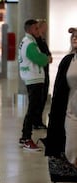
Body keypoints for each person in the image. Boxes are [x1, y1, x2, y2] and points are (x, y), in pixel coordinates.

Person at [43, 27, 77, 166]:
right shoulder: (69, 60)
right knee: (72, 149)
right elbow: (59, 88)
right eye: (73, 36)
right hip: (72, 112)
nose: (74, 38)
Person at [18, 19, 50, 151]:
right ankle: (26, 138)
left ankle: (25, 137)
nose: (39, 31)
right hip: (34, 79)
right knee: (32, 109)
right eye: (36, 28)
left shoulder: (26, 42)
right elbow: (39, 59)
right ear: (31, 30)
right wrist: (46, 58)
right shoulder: (30, 44)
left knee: (32, 108)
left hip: (32, 78)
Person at [35, 19, 53, 129]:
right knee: (39, 98)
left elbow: (47, 53)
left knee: (43, 97)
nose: (46, 29)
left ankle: (38, 120)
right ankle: (36, 121)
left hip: (45, 71)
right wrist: (47, 58)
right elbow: (41, 55)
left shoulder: (42, 39)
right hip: (40, 72)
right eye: (44, 27)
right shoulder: (37, 41)